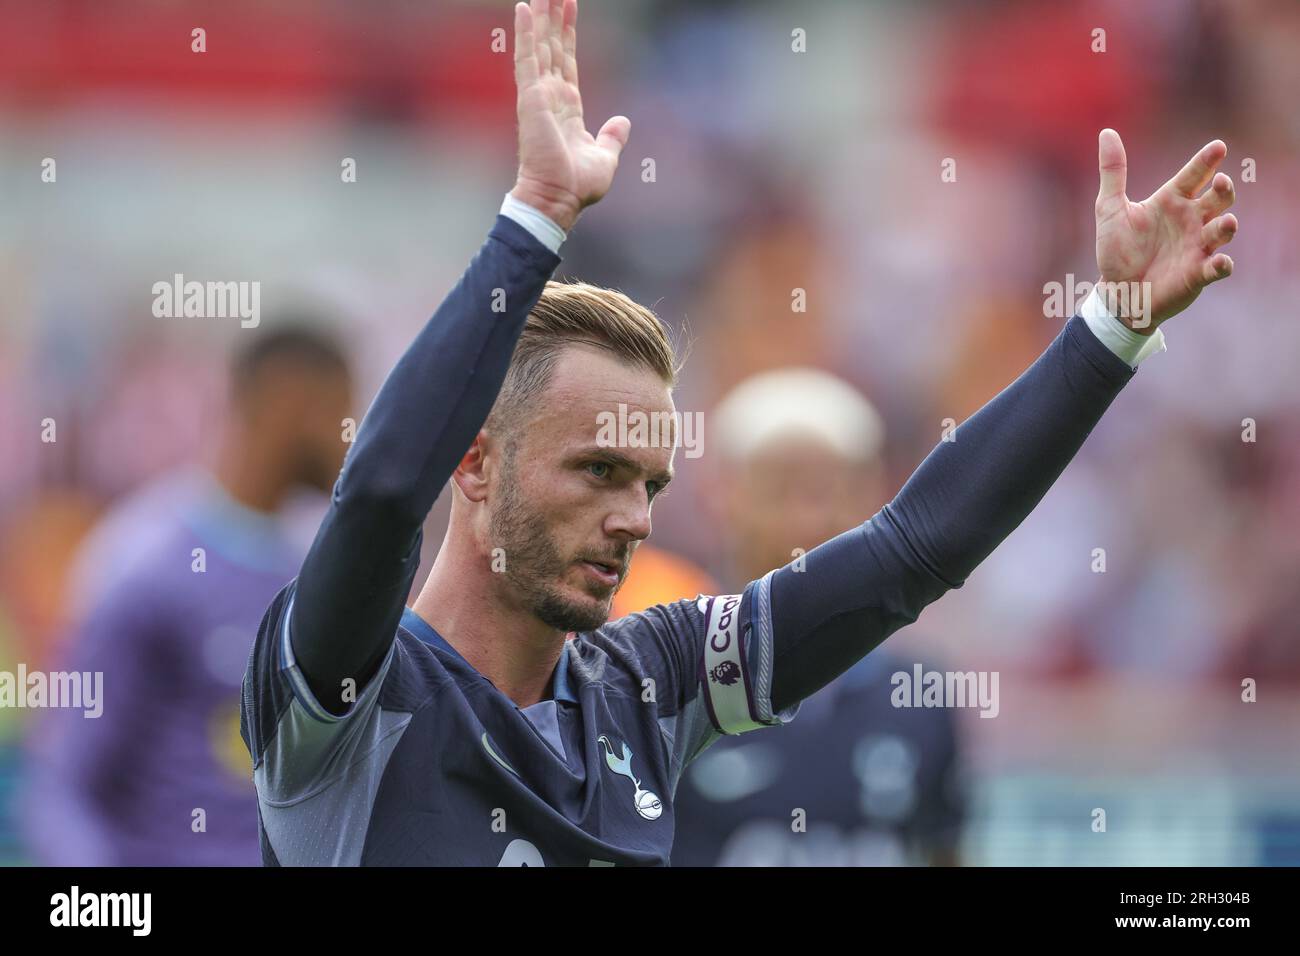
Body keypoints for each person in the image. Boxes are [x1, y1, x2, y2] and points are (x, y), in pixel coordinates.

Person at [241, 0, 1239, 866]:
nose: (632, 516)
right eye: (596, 469)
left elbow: (912, 550)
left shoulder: (648, 684)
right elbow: (375, 496)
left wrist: (1112, 328)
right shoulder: (349, 692)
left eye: (649, 482)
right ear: (473, 459)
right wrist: (534, 218)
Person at [22, 326, 351, 866]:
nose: (350, 440)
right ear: (286, 407)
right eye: (339, 411)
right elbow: (61, 787)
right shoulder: (145, 563)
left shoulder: (318, 565)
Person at [670, 369, 964, 866]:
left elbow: (943, 850)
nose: (809, 519)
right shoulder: (665, 677)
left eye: (833, 489)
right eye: (782, 488)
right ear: (721, 495)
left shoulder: (919, 692)